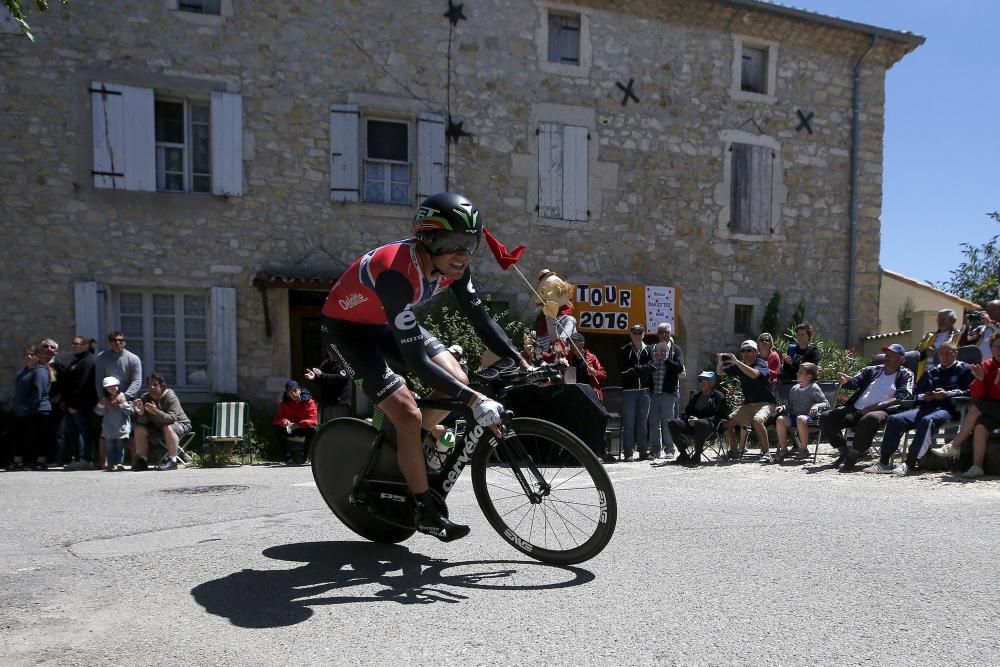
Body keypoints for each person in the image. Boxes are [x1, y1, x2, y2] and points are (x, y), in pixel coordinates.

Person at [320, 192, 523, 541]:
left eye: (470, 243)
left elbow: (479, 316)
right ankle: (424, 509)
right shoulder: (395, 273)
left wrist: (519, 360)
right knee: (409, 414)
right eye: (451, 243)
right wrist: (475, 401)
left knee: (456, 377)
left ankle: (406, 444)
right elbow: (415, 360)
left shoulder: (454, 265)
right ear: (427, 240)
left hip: (384, 323)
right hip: (348, 332)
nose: (462, 254)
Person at [864, 342, 971, 476]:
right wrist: (925, 396)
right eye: (942, 353)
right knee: (895, 419)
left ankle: (909, 463)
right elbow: (916, 393)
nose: (944, 356)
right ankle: (884, 462)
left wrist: (947, 394)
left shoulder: (965, 369)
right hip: (927, 407)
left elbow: (970, 391)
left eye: (948, 353)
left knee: (927, 421)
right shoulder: (932, 371)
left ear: (955, 353)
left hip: (951, 409)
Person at [821, 343, 914, 471]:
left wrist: (878, 406)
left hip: (883, 410)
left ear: (901, 360)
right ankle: (845, 451)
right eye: (886, 355)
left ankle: (854, 455)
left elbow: (904, 395)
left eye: (891, 356)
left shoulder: (905, 374)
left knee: (870, 418)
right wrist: (846, 381)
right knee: (827, 417)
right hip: (856, 409)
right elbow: (855, 382)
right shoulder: (872, 369)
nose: (887, 358)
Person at [932, 331, 1000, 478]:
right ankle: (977, 467)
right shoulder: (986, 365)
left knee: (975, 408)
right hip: (992, 410)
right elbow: (977, 395)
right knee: (980, 426)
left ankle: (954, 445)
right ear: (991, 348)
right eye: (996, 346)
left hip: (994, 407)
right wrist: (980, 380)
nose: (999, 350)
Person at [717, 339, 778, 462]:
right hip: (749, 405)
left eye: (749, 350)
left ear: (756, 352)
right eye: (743, 351)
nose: (745, 353)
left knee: (757, 420)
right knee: (727, 423)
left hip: (767, 403)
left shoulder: (761, 363)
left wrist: (736, 362)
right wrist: (720, 361)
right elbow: (719, 372)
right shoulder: (739, 365)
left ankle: (766, 453)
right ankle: (734, 451)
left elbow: (755, 375)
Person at [132, 373, 193, 471]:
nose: (151, 387)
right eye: (149, 385)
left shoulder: (170, 397)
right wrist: (141, 414)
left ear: (162, 386)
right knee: (139, 428)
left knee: (167, 426)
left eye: (155, 385)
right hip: (158, 427)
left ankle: (173, 461)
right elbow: (143, 422)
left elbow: (172, 418)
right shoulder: (145, 398)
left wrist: (156, 412)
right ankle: (143, 461)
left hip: (181, 424)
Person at [666, 370, 728, 466]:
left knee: (700, 423)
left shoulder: (718, 396)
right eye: (700, 380)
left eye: (704, 380)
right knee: (672, 423)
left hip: (710, 428)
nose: (700, 382)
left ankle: (697, 455)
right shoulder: (695, 396)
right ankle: (683, 454)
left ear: (711, 382)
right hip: (693, 426)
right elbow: (686, 412)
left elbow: (721, 416)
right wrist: (689, 418)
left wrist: (699, 420)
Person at [7, 345, 52, 470]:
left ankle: (40, 462)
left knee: (39, 436)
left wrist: (28, 408)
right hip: (22, 410)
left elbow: (38, 392)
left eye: (31, 354)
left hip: (38, 410)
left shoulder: (40, 371)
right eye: (26, 354)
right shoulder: (24, 371)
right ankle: (18, 462)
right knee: (19, 436)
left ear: (37, 356)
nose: (28, 357)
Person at [773, 362, 829, 462]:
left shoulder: (814, 388)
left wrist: (816, 405)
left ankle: (803, 449)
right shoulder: (794, 389)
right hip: (796, 416)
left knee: (800, 419)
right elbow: (790, 406)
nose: (797, 374)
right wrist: (783, 407)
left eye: (801, 372)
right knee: (780, 419)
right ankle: (784, 449)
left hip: (811, 417)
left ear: (809, 376)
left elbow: (825, 403)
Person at [618, 323, 655, 461]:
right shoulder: (624, 350)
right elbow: (624, 371)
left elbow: (652, 367)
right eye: (635, 333)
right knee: (629, 422)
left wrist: (636, 369)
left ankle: (643, 450)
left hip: (645, 391)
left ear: (644, 334)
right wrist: (642, 369)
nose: (638, 336)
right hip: (629, 391)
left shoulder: (649, 349)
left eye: (640, 333)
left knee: (642, 422)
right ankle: (628, 452)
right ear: (631, 334)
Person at [648, 323, 684, 460]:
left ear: (670, 334)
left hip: (669, 393)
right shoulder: (652, 348)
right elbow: (647, 366)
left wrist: (666, 359)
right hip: (654, 392)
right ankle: (655, 450)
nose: (663, 334)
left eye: (666, 332)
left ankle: (670, 450)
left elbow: (680, 368)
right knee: (653, 423)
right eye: (660, 332)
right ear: (657, 334)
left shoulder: (676, 349)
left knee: (668, 422)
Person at [62, 336, 99, 470]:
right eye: (73, 343)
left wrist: (74, 404)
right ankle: (77, 458)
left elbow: (83, 385)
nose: (74, 346)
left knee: (84, 432)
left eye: (77, 344)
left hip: (81, 404)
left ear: (85, 346)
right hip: (70, 404)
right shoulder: (77, 361)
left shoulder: (88, 361)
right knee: (72, 432)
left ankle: (86, 458)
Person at [37, 338, 67, 465]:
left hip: (55, 405)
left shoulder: (60, 367)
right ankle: (39, 459)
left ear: (56, 352)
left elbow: (68, 385)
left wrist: (61, 396)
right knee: (39, 432)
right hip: (39, 405)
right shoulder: (36, 366)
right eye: (46, 346)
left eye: (52, 347)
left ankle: (56, 459)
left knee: (57, 433)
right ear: (40, 349)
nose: (49, 349)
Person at [274, 380, 319, 465]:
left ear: (300, 390)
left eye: (295, 391)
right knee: (278, 430)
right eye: (290, 392)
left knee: (313, 430)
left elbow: (313, 420)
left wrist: (299, 424)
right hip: (290, 429)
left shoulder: (310, 402)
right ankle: (287, 457)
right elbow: (278, 419)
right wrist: (284, 421)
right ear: (287, 394)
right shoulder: (283, 403)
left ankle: (306, 457)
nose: (294, 394)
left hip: (303, 428)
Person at [95, 376, 134, 471]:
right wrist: (102, 405)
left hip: (121, 428)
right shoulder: (105, 399)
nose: (112, 389)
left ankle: (119, 462)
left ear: (118, 386)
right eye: (109, 387)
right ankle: (111, 463)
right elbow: (98, 412)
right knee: (109, 447)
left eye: (114, 386)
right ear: (106, 389)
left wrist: (123, 404)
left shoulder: (124, 397)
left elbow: (130, 412)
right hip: (108, 429)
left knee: (119, 447)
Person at [304, 349, 352, 422]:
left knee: (336, 427)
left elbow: (342, 377)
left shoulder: (343, 362)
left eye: (332, 349)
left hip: (339, 402)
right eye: (329, 349)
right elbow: (322, 379)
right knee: (327, 428)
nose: (330, 351)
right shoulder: (326, 363)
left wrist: (322, 375)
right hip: (327, 402)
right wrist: (314, 378)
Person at [914, 309, 961, 380]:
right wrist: (925, 352)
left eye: (943, 319)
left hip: (948, 377)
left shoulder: (960, 336)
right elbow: (915, 355)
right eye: (938, 319)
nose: (940, 321)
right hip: (925, 376)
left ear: (952, 321)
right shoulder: (929, 336)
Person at [568, 332, 607, 402]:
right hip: (573, 393)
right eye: (570, 342)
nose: (571, 344)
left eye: (574, 342)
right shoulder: (568, 356)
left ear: (582, 343)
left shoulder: (591, 357)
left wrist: (595, 373)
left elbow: (603, 374)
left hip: (589, 394)